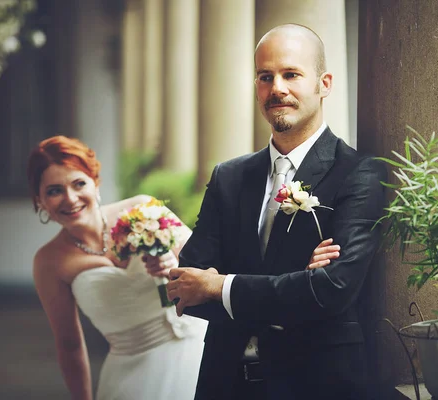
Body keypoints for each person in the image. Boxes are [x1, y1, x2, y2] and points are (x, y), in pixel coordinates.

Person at [164, 24, 386, 399]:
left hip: (314, 384)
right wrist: (296, 282)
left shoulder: (359, 173)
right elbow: (183, 289)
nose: (277, 88)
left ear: (324, 83)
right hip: (226, 382)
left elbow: (332, 290)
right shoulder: (229, 176)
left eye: (291, 74)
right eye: (266, 77)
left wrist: (220, 285)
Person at [27, 135, 208, 400]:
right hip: (133, 376)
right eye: (54, 191)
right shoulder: (49, 262)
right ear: (40, 201)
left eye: (79, 183)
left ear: (95, 183)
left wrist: (174, 262)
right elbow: (69, 345)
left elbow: (211, 269)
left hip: (199, 349)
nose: (70, 198)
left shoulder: (142, 207)